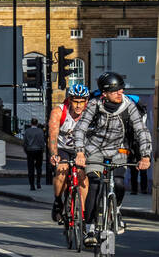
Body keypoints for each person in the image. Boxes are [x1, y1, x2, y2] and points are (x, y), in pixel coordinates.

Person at [73, 72, 152, 244]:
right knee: (94, 185)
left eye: (121, 89)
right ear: (105, 93)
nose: (120, 93)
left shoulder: (128, 106)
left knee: (118, 184)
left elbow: (141, 131)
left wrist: (145, 155)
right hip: (94, 149)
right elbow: (80, 129)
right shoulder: (94, 104)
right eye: (115, 90)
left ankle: (116, 209)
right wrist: (80, 152)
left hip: (119, 150)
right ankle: (90, 229)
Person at [49, 83, 92, 223]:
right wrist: (54, 154)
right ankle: (57, 202)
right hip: (63, 148)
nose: (79, 106)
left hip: (82, 150)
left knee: (83, 178)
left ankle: (83, 213)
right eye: (75, 101)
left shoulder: (90, 113)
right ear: (69, 100)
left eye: (82, 102)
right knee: (62, 169)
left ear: (86, 101)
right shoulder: (59, 111)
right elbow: (53, 135)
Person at [130, 102, 152, 195]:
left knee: (137, 169)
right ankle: (141, 189)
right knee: (138, 170)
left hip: (136, 145)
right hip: (135, 145)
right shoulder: (142, 114)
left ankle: (136, 189)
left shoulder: (138, 115)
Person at [23, 119, 46, 191]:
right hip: (39, 150)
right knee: (39, 167)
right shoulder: (40, 131)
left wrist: (26, 150)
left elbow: (25, 142)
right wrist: (42, 149)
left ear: (31, 123)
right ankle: (38, 183)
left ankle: (32, 185)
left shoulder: (27, 131)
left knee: (31, 168)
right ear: (37, 123)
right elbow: (42, 141)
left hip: (30, 150)